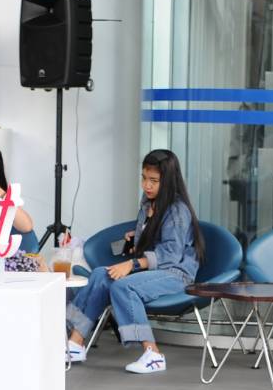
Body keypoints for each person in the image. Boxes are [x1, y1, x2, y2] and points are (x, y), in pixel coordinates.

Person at [65, 149, 203, 374]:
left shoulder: (177, 210)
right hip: (154, 272)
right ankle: (75, 343)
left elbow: (170, 255)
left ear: (168, 181)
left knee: (122, 286)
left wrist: (132, 264)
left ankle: (153, 354)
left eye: (154, 181)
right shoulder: (149, 203)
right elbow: (154, 241)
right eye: (144, 178)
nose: (146, 185)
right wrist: (138, 236)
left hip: (177, 274)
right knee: (100, 274)